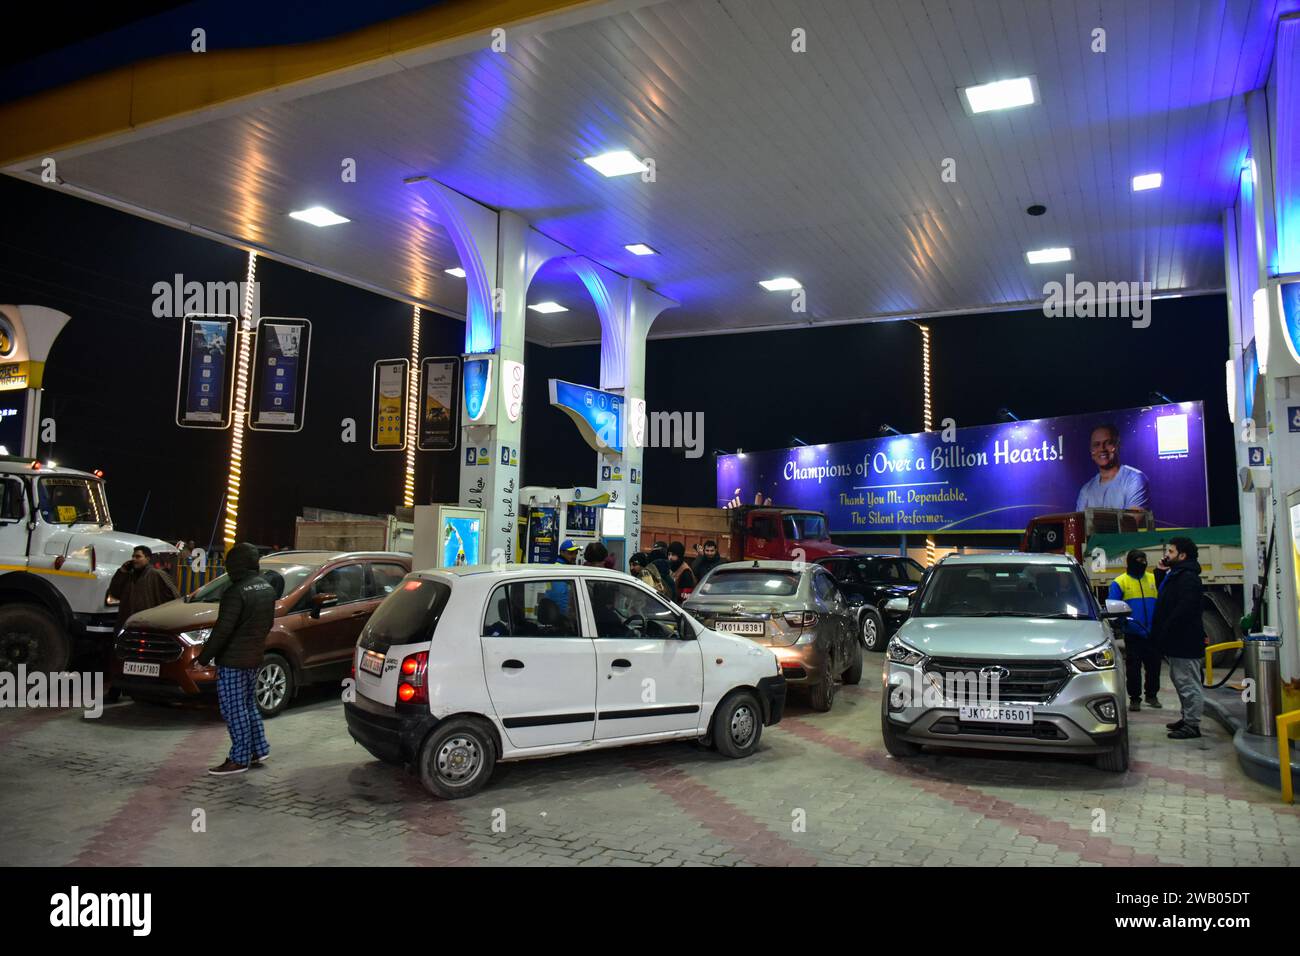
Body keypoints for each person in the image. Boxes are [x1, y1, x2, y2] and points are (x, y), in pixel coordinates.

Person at [196, 542, 277, 775]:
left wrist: (204, 657)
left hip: (232, 661)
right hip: (254, 656)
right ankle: (258, 749)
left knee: (233, 709)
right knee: (248, 704)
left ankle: (239, 758)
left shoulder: (236, 591)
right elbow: (268, 624)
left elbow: (223, 630)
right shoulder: (266, 587)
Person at [1151, 537, 1204, 740]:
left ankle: (1192, 725)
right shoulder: (1177, 574)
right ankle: (1187, 717)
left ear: (1182, 555)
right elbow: (1166, 596)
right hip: (1177, 641)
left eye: (1171, 552)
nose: (1167, 555)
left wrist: (1166, 628)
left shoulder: (1188, 577)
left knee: (1188, 683)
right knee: (1181, 680)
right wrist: (1160, 572)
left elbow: (1183, 608)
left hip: (1185, 641)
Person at [1108, 549, 1161, 710]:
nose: (1142, 563)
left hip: (1152, 633)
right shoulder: (1120, 582)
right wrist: (1122, 624)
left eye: (1144, 560)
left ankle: (1152, 696)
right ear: (1130, 563)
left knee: (1154, 667)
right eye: (1138, 560)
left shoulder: (1153, 578)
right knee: (1133, 669)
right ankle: (1135, 698)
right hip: (1133, 633)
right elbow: (1113, 607)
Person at [1076, 423, 1150, 511]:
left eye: (1108, 443)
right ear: (1091, 451)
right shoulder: (1086, 490)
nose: (1102, 449)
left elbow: (1133, 521)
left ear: (1117, 445)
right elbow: (1079, 523)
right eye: (1096, 444)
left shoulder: (1134, 479)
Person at [107, 545, 180, 633]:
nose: (134, 559)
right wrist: (122, 572)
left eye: (138, 556)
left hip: (149, 626)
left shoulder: (157, 575)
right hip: (128, 626)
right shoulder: (128, 576)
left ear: (148, 559)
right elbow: (115, 593)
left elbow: (175, 597)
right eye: (133, 556)